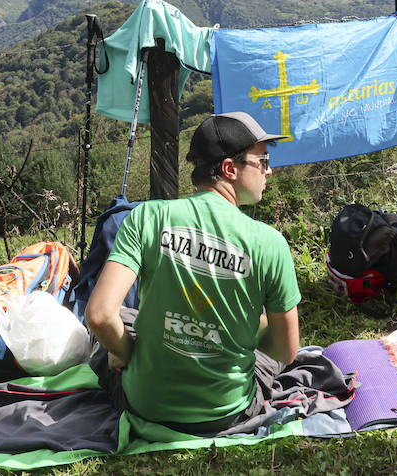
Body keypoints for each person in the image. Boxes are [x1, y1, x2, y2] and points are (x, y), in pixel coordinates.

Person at [85, 111, 302, 433]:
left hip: (145, 406)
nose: (269, 171)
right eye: (263, 161)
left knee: (125, 323)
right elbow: (286, 350)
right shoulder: (269, 242)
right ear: (230, 169)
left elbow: (100, 316)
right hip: (227, 411)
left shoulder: (146, 218)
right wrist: (244, 329)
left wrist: (125, 354)